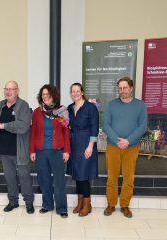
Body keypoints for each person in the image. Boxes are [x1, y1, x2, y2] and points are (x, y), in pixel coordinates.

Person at [103, 77, 147, 218]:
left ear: (131, 88)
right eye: (120, 88)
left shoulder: (140, 105)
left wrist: (128, 141)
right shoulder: (111, 105)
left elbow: (143, 127)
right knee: (112, 177)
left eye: (125, 88)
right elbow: (106, 125)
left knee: (129, 177)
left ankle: (125, 205)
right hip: (113, 146)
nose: (122, 91)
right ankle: (111, 204)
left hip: (131, 146)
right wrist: (118, 141)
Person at [0, 80, 34, 214]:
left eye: (11, 89)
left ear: (17, 91)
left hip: (19, 150)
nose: (8, 91)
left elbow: (23, 126)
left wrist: (3, 125)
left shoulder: (23, 105)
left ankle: (28, 202)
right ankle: (13, 201)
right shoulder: (0, 105)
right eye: (6, 89)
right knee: (9, 178)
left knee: (24, 177)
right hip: (4, 150)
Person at [30, 84, 70, 218]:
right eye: (43, 95)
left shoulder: (61, 111)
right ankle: (47, 205)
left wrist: (66, 151)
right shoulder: (37, 112)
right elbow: (33, 132)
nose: (45, 97)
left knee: (59, 181)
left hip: (57, 151)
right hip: (41, 151)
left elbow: (66, 132)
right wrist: (32, 151)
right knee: (44, 180)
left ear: (53, 95)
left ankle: (62, 208)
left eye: (47, 94)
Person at [67, 83, 99, 217]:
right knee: (77, 174)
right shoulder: (69, 107)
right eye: (73, 91)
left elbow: (95, 127)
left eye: (77, 91)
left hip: (86, 143)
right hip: (73, 143)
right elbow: (67, 124)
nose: (75, 93)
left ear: (82, 92)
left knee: (83, 175)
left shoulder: (90, 107)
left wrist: (90, 146)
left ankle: (87, 204)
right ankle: (80, 203)